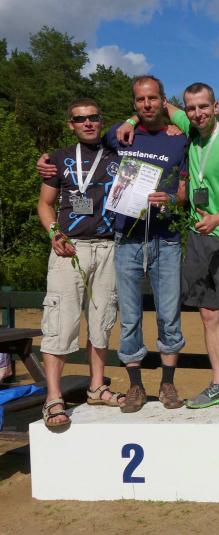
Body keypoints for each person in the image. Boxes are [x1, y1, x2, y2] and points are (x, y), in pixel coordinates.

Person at [38, 76, 189, 413]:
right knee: (125, 318)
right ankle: (131, 387)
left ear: (163, 100)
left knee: (164, 316)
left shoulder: (179, 139)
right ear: (133, 104)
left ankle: (165, 384)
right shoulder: (115, 137)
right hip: (120, 240)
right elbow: (51, 190)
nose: (147, 104)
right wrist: (45, 164)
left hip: (159, 239)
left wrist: (172, 199)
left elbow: (184, 190)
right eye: (140, 100)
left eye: (153, 98)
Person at [119, 82, 219, 418]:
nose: (197, 113)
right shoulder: (190, 131)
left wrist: (217, 218)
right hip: (197, 237)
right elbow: (159, 104)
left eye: (203, 107)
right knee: (208, 316)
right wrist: (130, 121)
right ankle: (217, 383)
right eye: (191, 108)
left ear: (216, 107)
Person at [37, 98, 124, 428]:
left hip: (108, 248)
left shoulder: (118, 156)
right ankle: (53, 397)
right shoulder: (57, 159)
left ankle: (97, 387)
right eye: (79, 118)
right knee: (60, 321)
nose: (87, 123)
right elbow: (45, 204)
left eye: (93, 117)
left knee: (102, 321)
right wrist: (54, 233)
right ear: (70, 124)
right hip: (69, 250)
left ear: (101, 121)